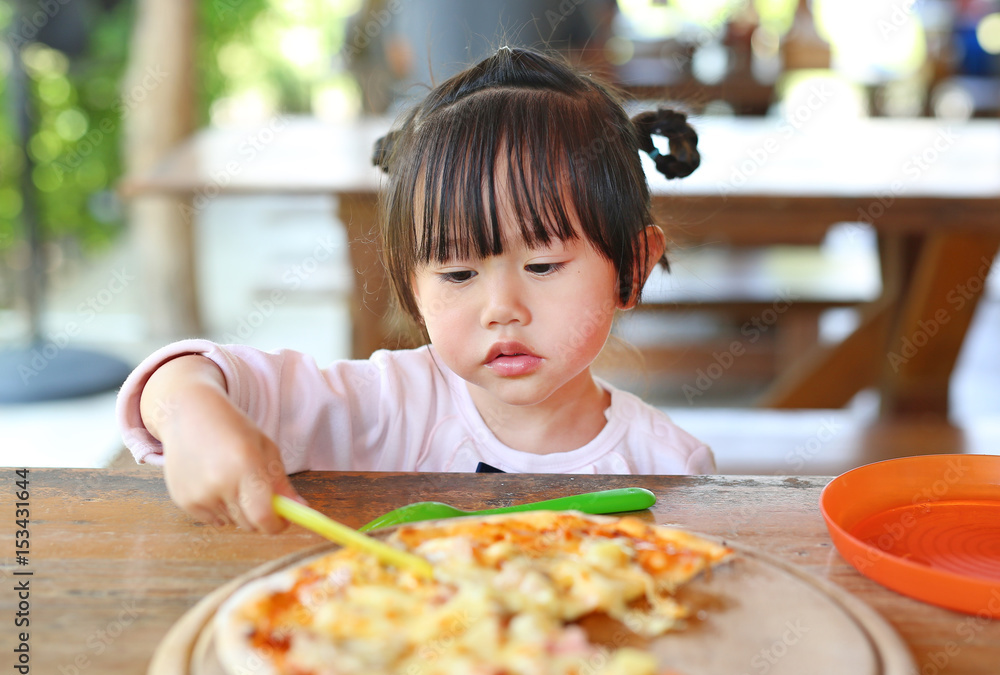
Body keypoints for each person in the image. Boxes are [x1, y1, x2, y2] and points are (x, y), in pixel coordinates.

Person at [115, 47, 711, 534]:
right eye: (457, 275)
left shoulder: (671, 469)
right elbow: (184, 379)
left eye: (545, 264)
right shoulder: (387, 407)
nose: (502, 309)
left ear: (631, 267)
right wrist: (192, 416)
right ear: (412, 287)